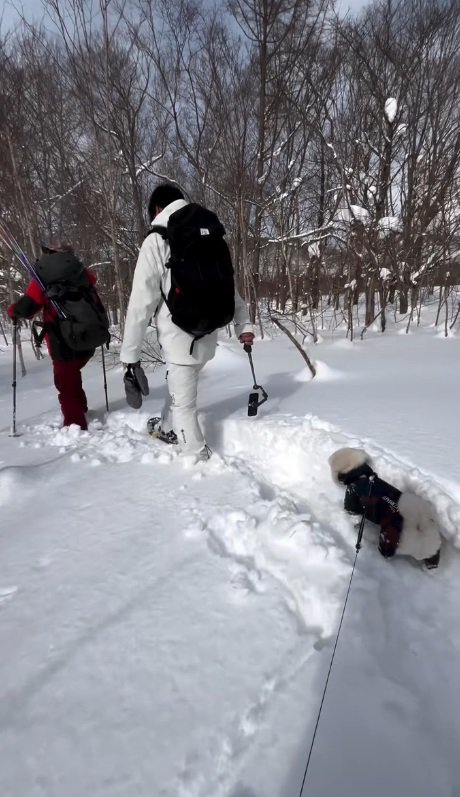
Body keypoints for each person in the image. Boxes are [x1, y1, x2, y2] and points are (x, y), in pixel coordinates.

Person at [120, 183, 254, 461]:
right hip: (208, 331)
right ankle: (169, 427)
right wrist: (244, 325)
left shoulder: (158, 239)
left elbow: (140, 303)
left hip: (179, 335)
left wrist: (130, 356)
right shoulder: (209, 235)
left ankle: (196, 456)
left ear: (157, 208)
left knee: (184, 404)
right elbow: (229, 288)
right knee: (178, 384)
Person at [7, 243, 103, 431]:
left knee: (66, 384)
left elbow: (28, 308)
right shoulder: (83, 274)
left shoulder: (43, 279)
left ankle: (75, 425)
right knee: (72, 378)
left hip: (62, 340)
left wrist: (12, 311)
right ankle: (81, 411)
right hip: (87, 336)